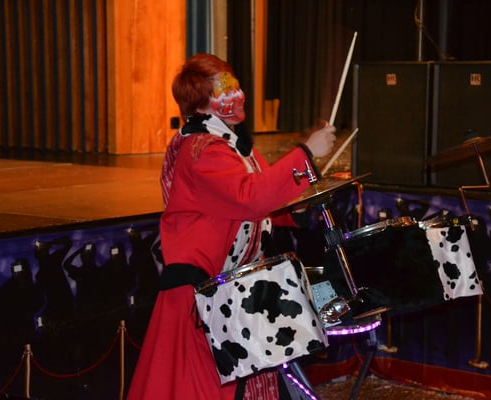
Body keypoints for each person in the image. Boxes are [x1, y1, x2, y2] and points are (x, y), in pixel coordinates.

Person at [127, 53, 336, 400]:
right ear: (200, 104)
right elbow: (248, 197)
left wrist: (295, 207)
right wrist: (305, 153)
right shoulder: (202, 149)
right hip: (200, 299)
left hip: (232, 291)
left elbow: (258, 203)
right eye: (223, 90)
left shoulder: (232, 146)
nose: (236, 96)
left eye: (235, 86)